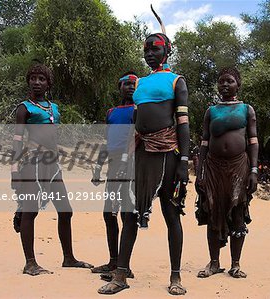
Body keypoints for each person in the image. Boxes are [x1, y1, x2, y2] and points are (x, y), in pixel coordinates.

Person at [97, 15, 190, 295]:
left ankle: (175, 277)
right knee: (129, 214)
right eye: (146, 49)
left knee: (171, 215)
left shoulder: (177, 81)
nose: (150, 53)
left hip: (168, 156)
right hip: (141, 155)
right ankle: (121, 274)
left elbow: (183, 124)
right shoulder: (140, 85)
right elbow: (137, 123)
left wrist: (184, 161)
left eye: (155, 48)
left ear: (167, 50)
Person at [11, 63, 92, 276]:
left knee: (66, 211)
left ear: (48, 83)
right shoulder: (24, 108)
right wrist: (14, 171)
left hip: (53, 166)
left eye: (41, 79)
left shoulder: (54, 108)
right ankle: (30, 263)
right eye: (33, 78)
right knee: (31, 211)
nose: (37, 82)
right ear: (28, 81)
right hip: (32, 164)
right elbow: (17, 140)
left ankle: (69, 258)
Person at [195, 67, 258, 279]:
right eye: (221, 81)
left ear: (238, 85)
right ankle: (214, 263)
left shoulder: (247, 110)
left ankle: (236, 264)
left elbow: (253, 142)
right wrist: (199, 172)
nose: (224, 84)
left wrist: (254, 171)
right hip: (213, 168)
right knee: (212, 211)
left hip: (239, 167)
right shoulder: (211, 111)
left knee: (237, 211)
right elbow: (204, 143)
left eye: (229, 81)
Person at [90, 72, 137, 277]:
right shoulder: (111, 112)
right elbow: (106, 142)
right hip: (113, 165)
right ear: (119, 87)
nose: (130, 87)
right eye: (126, 84)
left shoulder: (139, 110)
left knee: (128, 215)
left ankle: (124, 266)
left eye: (134, 84)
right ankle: (113, 261)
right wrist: (99, 168)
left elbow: (138, 139)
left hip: (132, 166)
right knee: (109, 214)